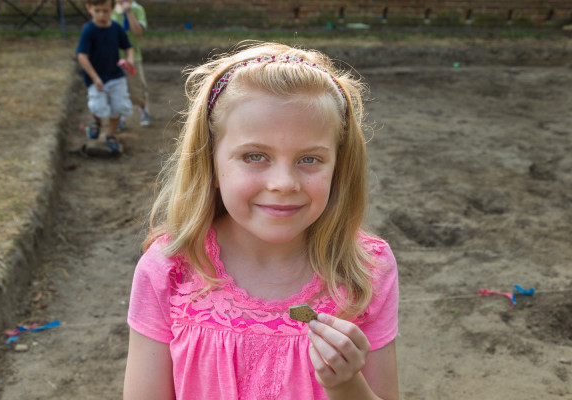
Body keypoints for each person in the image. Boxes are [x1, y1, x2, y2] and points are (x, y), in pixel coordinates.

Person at [123, 42, 399, 400]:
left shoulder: (367, 271)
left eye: (310, 159)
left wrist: (346, 385)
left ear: (339, 167)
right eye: (255, 156)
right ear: (211, 164)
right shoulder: (169, 269)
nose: (283, 183)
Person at [76, 0, 134, 153]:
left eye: (105, 11)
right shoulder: (89, 31)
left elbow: (128, 47)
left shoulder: (116, 28)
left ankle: (110, 135)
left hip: (116, 77)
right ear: (89, 9)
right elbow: (82, 56)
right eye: (98, 11)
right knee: (98, 106)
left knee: (118, 107)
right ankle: (96, 121)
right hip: (96, 79)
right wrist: (95, 78)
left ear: (112, 9)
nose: (102, 15)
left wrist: (130, 59)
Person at [111, 0, 151, 129]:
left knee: (136, 87)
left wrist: (128, 12)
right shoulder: (109, 8)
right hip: (112, 57)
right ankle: (119, 118)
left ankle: (144, 110)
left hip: (133, 57)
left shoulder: (137, 9)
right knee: (115, 89)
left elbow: (138, 32)